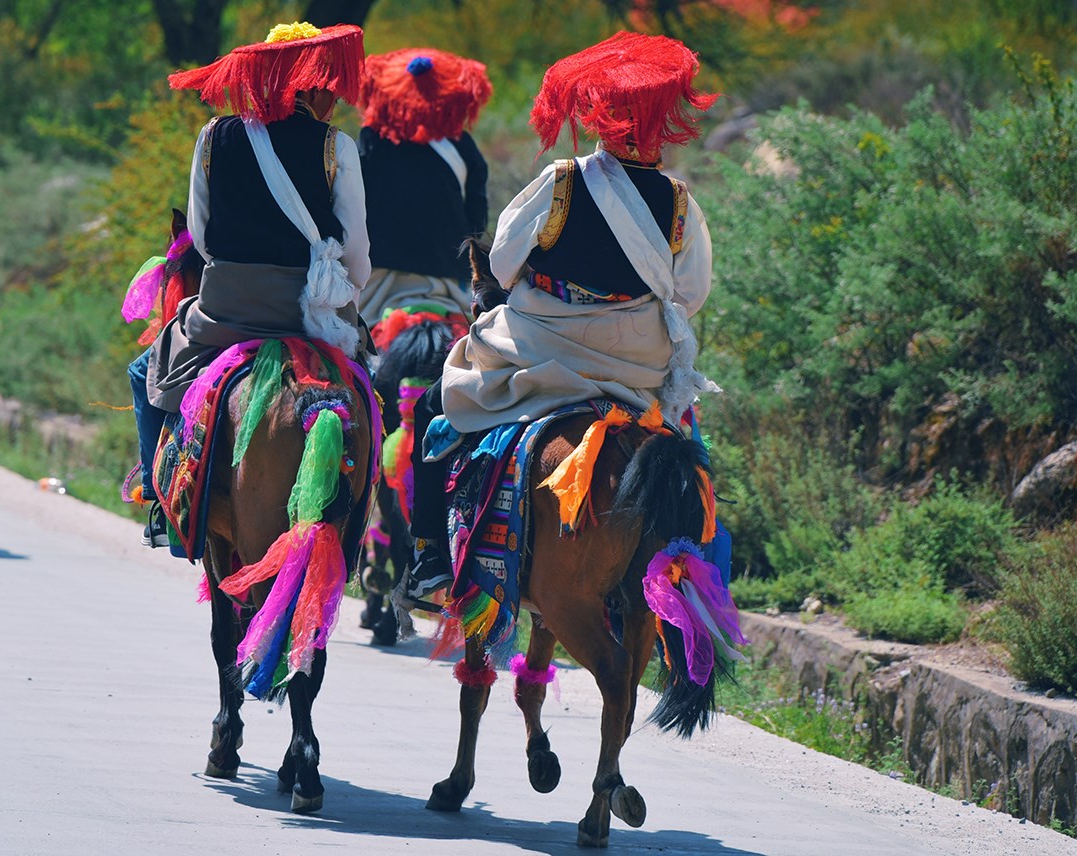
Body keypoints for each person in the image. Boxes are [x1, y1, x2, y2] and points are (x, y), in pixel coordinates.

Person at [403, 31, 718, 597]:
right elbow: (690, 295)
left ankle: (429, 556)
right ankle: (692, 571)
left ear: (600, 116)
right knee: (688, 450)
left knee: (435, 404)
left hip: (542, 348)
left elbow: (502, 264)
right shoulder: (679, 201)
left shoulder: (563, 181)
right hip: (635, 365)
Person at [129, 21, 371, 547]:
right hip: (311, 316)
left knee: (147, 370)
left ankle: (161, 503)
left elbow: (202, 237)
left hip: (227, 310)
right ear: (309, 88)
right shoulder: (336, 146)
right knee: (370, 394)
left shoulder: (213, 137)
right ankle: (365, 528)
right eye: (328, 86)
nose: (334, 98)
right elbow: (356, 256)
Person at [354, 47, 491, 325]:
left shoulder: (372, 140)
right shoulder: (461, 145)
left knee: (359, 336)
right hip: (448, 275)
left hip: (379, 275)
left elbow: (354, 206)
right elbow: (477, 221)